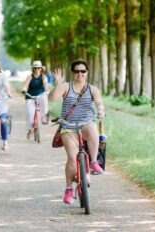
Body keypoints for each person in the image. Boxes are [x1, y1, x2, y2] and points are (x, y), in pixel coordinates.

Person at [48, 59, 105, 205]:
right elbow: (52, 98)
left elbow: (99, 103)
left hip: (85, 122)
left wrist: (101, 111)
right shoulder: (66, 86)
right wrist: (58, 84)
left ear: (87, 73)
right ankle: (68, 189)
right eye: (77, 71)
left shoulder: (92, 89)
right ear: (72, 73)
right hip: (68, 125)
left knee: (92, 129)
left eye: (83, 71)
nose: (80, 74)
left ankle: (93, 161)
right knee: (72, 158)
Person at [21, 60, 50, 139]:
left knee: (44, 100)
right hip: (30, 96)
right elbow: (26, 84)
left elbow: (45, 84)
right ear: (33, 69)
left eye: (38, 68)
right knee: (30, 115)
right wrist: (24, 89)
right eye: (35, 68)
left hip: (41, 95)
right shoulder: (30, 77)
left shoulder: (43, 77)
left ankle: (45, 115)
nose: (37, 69)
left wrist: (47, 90)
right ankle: (29, 130)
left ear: (41, 68)